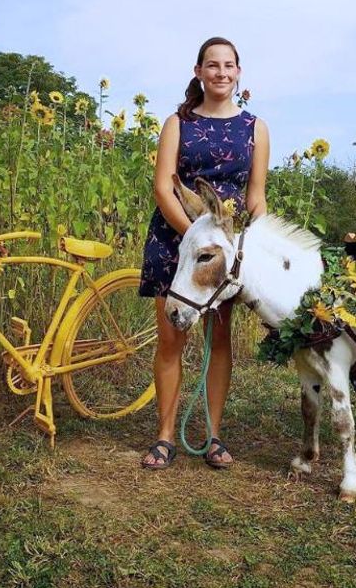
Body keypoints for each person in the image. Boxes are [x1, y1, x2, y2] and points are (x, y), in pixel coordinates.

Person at [137, 36, 269, 470]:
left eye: (229, 65)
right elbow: (162, 187)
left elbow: (256, 198)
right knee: (172, 339)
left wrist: (251, 243)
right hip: (174, 241)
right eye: (212, 65)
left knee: (219, 342)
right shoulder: (177, 123)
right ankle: (165, 436)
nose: (221, 73)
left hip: (222, 256)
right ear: (198, 72)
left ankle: (213, 436)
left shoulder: (255, 129)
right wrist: (196, 237)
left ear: (239, 72)